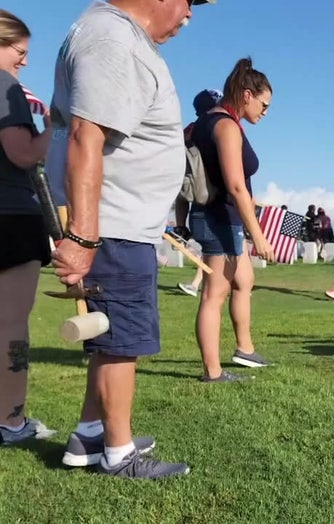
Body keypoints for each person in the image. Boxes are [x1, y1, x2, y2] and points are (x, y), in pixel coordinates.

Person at [46, 0, 217, 478]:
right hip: (112, 227)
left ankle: (89, 435)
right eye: (189, 2)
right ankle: (120, 453)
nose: (189, 15)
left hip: (118, 226)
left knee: (110, 337)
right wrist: (82, 234)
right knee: (123, 342)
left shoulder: (110, 35)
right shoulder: (112, 39)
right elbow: (86, 135)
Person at [188, 57, 275, 383]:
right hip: (219, 218)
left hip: (223, 218)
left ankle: (244, 348)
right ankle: (212, 371)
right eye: (264, 105)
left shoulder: (213, 122)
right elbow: (236, 187)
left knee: (244, 280)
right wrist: (260, 237)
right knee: (214, 294)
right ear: (247, 94)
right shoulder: (224, 126)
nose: (265, 112)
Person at [0, 9, 56, 446]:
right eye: (20, 52)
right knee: (12, 325)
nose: (24, 62)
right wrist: (51, 132)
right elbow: (21, 153)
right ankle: (12, 421)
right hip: (12, 216)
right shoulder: (6, 86)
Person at [174, 88, 223, 297]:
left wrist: (180, 224)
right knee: (215, 249)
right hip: (215, 200)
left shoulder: (188, 132)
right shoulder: (220, 127)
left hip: (194, 198)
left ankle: (198, 283)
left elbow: (181, 189)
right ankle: (198, 284)